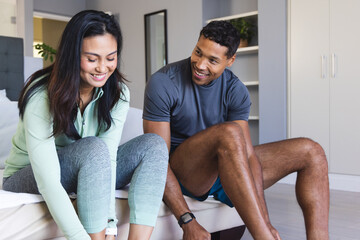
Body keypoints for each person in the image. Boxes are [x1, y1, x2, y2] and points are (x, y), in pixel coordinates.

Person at [143, 20, 329, 240]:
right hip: (187, 173)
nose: (201, 65)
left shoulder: (235, 90)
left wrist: (266, 220)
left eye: (212, 60)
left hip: (226, 166)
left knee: (312, 152)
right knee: (230, 133)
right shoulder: (164, 83)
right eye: (198, 52)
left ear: (230, 60)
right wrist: (187, 221)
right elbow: (157, 160)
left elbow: (248, 156)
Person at [2, 10, 168, 240]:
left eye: (110, 58)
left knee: (153, 145)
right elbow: (49, 181)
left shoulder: (118, 93)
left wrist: (111, 224)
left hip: (89, 166)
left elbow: (108, 157)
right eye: (92, 59)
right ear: (71, 55)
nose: (103, 68)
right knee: (93, 147)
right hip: (26, 175)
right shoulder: (41, 96)